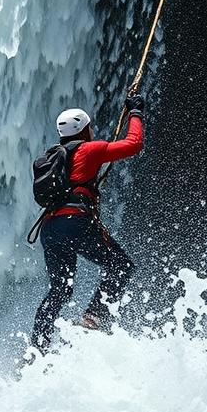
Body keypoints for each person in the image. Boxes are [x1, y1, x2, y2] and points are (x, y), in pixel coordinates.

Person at [31, 94, 145, 350]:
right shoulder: (89, 149)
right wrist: (135, 112)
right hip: (75, 222)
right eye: (89, 127)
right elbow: (134, 143)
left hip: (49, 228)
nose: (92, 130)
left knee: (60, 289)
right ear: (84, 129)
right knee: (121, 266)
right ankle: (93, 316)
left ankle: (36, 348)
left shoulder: (50, 157)